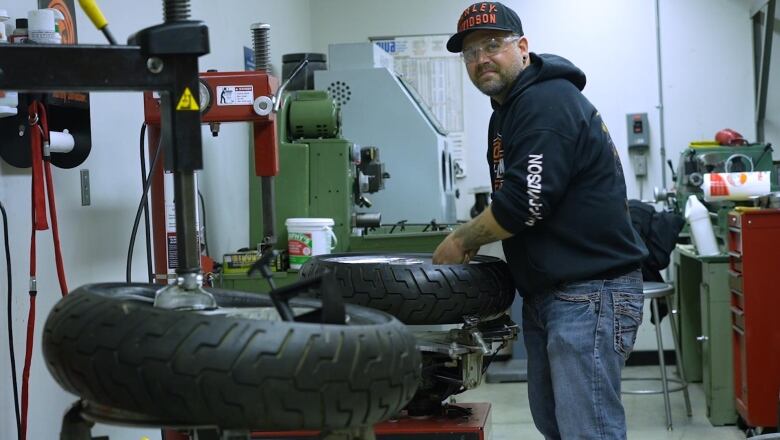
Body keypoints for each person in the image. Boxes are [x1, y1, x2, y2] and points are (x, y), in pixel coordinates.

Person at [432, 2, 649, 439]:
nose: (481, 60)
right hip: (553, 294)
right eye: (470, 54)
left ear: (523, 48)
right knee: (556, 424)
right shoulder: (506, 112)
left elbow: (526, 201)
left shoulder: (546, 101)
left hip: (590, 293)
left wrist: (462, 239)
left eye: (493, 45)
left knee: (588, 431)